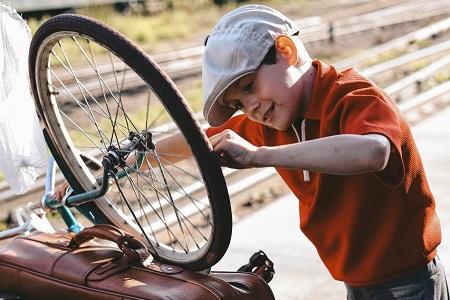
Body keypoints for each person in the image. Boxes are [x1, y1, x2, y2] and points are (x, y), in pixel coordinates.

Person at [53, 4, 448, 299]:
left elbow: (372, 152)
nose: (250, 106)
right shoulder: (272, 121)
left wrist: (259, 157)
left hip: (409, 283)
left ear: (286, 52)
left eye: (249, 86)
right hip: (356, 280)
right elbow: (194, 140)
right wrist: (97, 168)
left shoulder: (350, 95)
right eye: (238, 103)